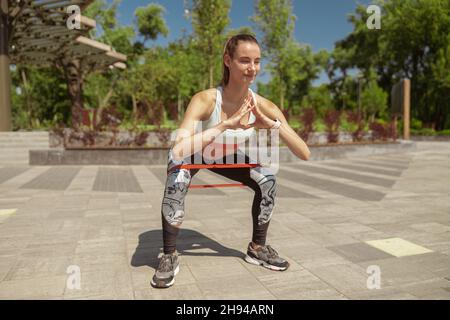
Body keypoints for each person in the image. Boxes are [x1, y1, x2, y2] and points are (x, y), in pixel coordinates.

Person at [151, 34, 311, 289]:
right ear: (228, 60)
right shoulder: (205, 99)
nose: (252, 68)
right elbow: (179, 149)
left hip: (224, 154)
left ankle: (257, 248)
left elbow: (304, 153)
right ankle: (169, 255)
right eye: (244, 60)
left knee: (267, 179)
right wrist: (225, 124)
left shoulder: (263, 104)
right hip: (193, 151)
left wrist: (272, 125)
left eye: (257, 61)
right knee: (178, 179)